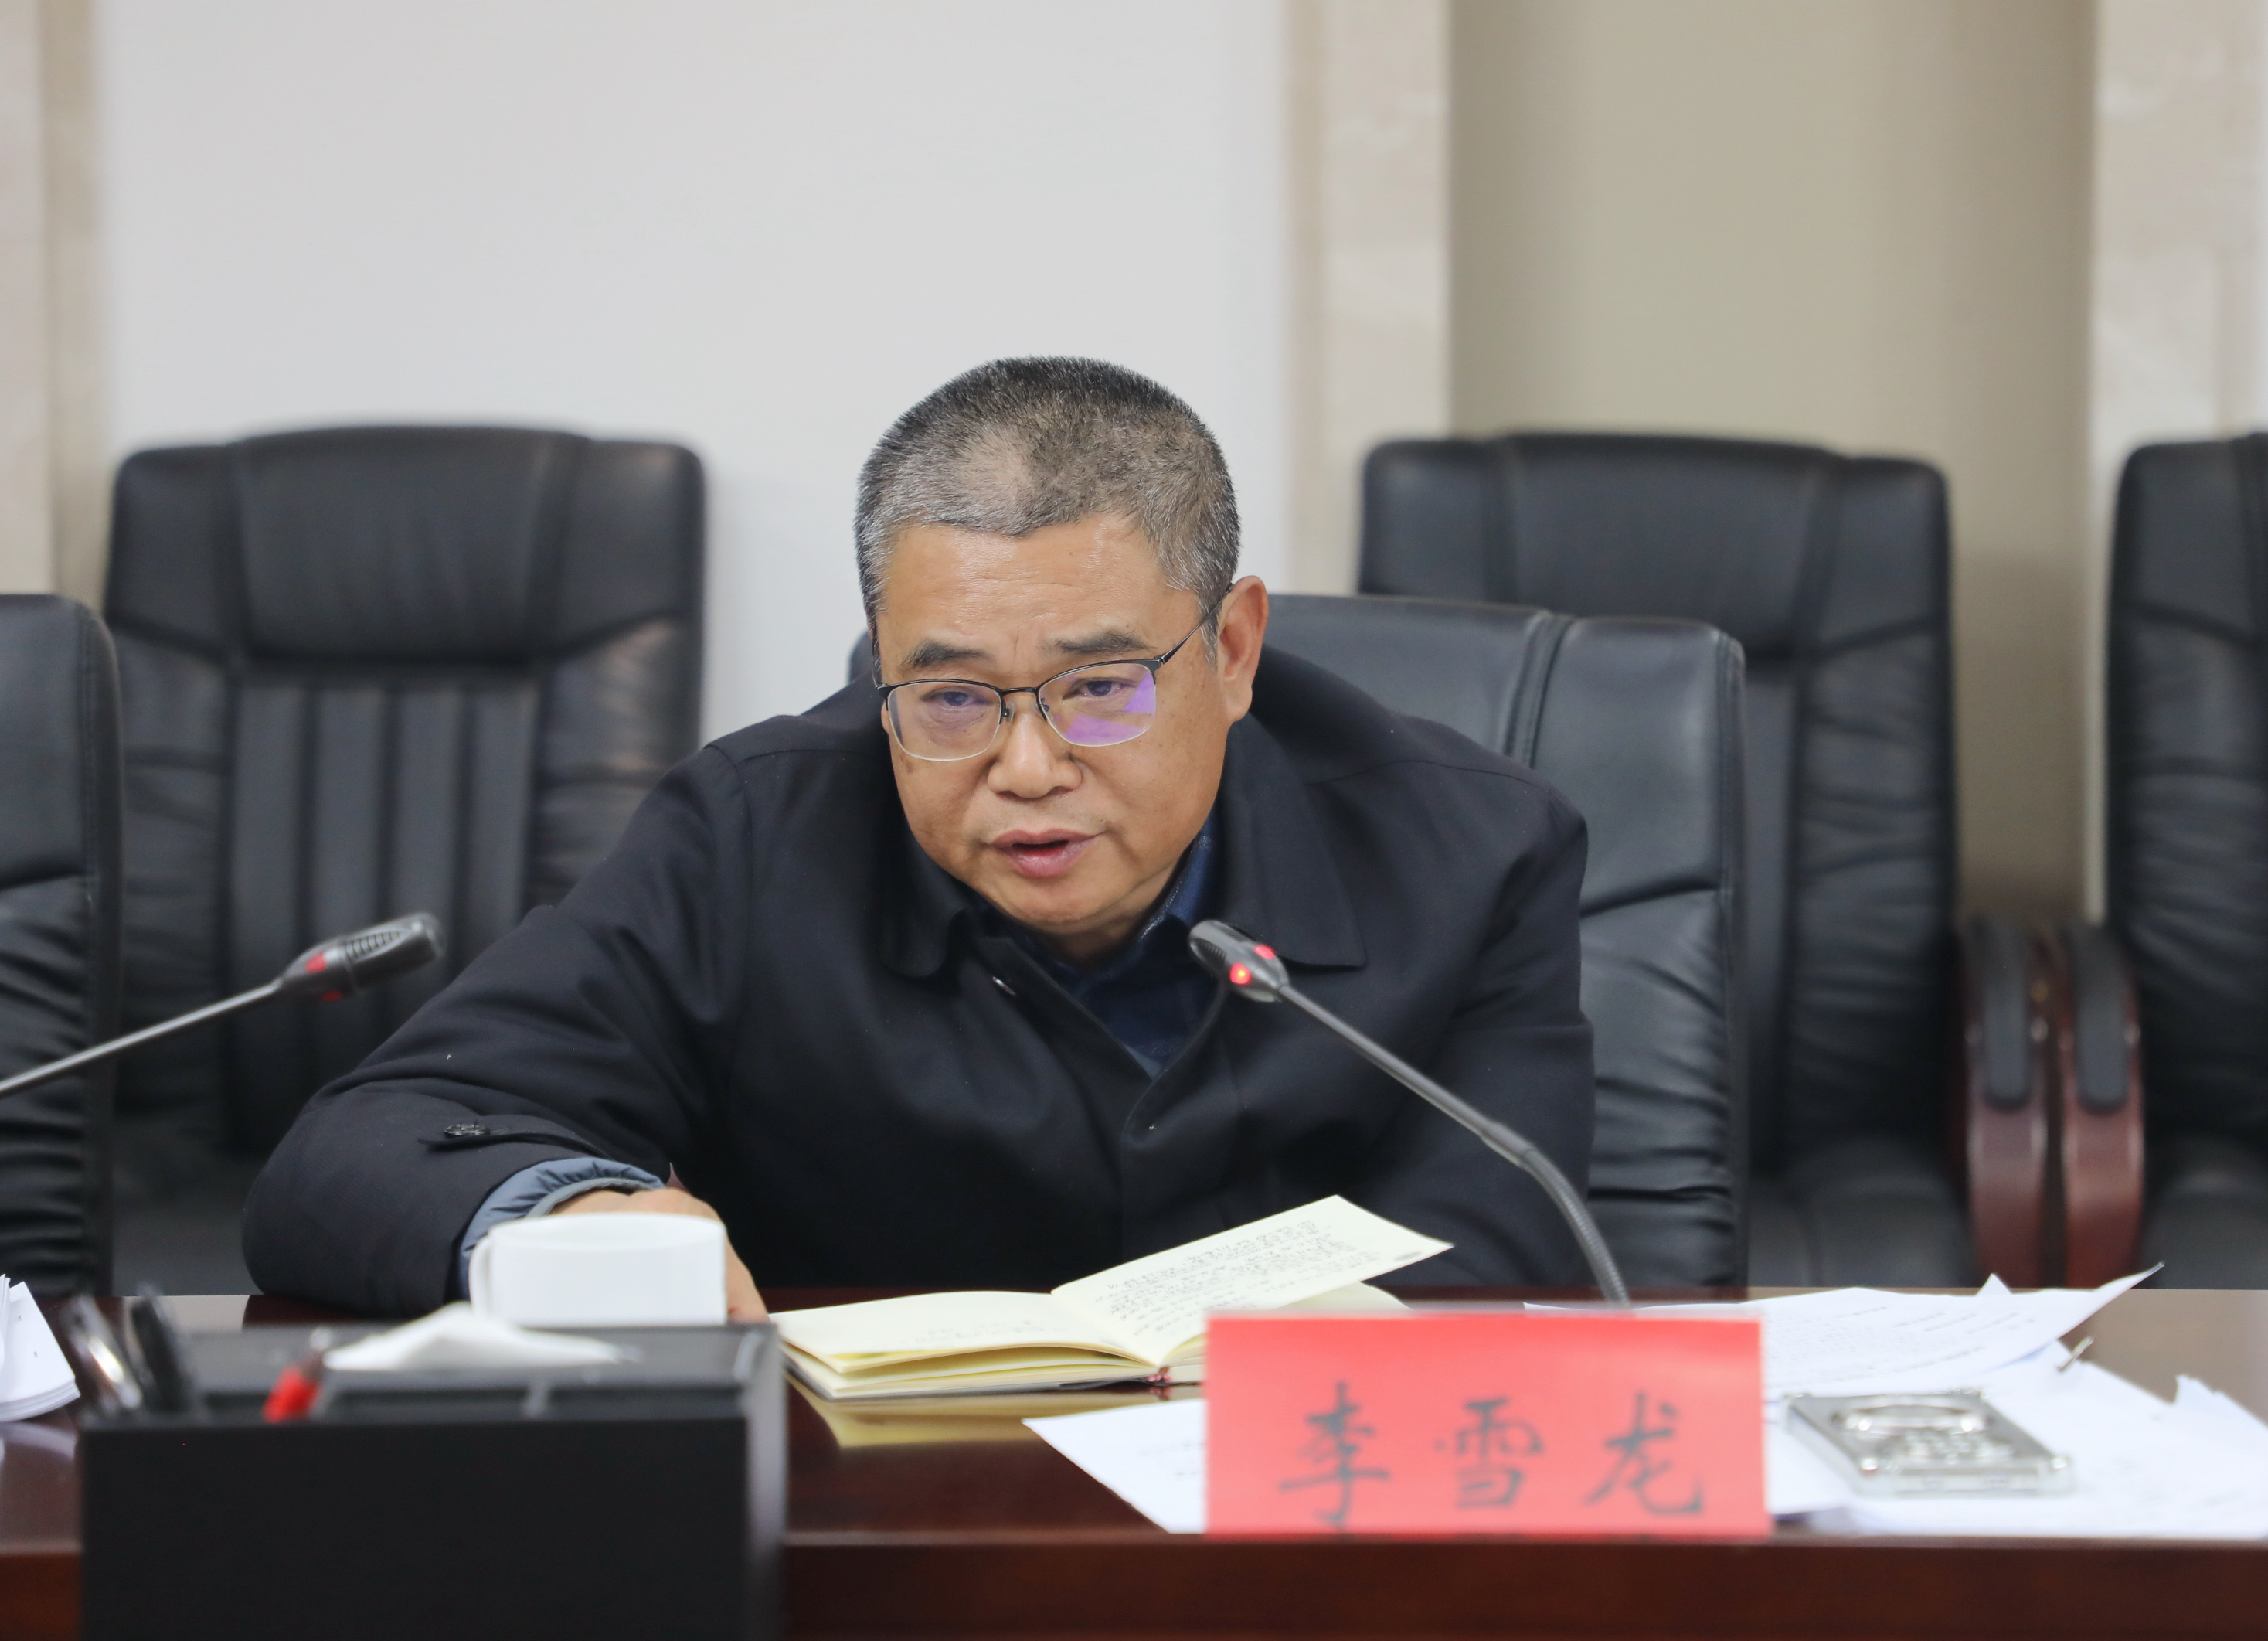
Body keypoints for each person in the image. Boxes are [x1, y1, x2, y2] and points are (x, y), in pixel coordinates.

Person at [243, 358, 1596, 1318]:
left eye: (1099, 688)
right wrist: (563, 1215)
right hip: (867, 1517)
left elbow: (1508, 1227)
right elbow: (362, 1150)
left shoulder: (1469, 848)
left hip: (1283, 1504)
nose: (1027, 768)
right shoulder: (754, 836)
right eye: (950, 698)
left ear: (1233, 650)